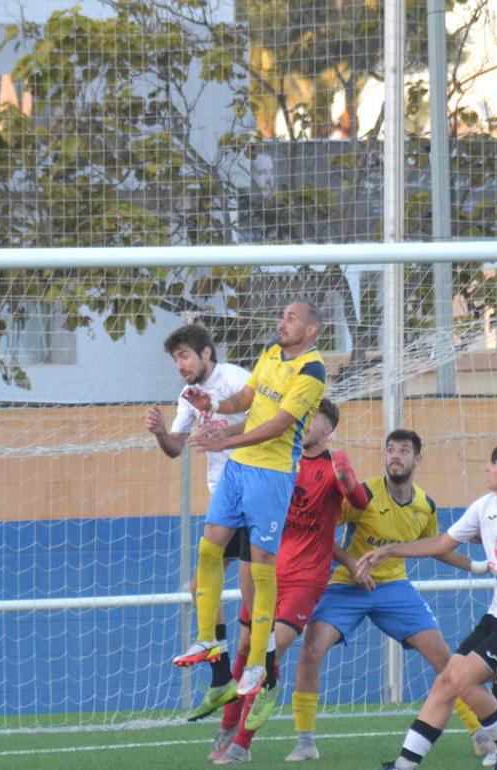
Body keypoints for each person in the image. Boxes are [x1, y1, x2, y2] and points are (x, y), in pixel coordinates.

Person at [358, 441, 497, 770]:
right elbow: (442, 544)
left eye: (492, 464)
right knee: (447, 680)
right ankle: (404, 765)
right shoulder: (486, 505)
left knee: (463, 681)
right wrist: (389, 550)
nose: (486, 469)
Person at [286, 429, 492, 764]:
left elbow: (436, 548)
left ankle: (480, 733)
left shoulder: (425, 505)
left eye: (404, 450)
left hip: (394, 588)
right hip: (347, 585)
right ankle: (305, 740)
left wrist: (479, 566)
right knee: (311, 649)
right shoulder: (363, 494)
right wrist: (352, 564)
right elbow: (321, 531)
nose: (395, 455)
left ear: (417, 459)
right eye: (390, 449)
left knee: (444, 657)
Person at [172, 300, 326, 703]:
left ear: (311, 330)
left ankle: (259, 660)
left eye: (291, 317)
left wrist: (226, 439)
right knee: (208, 548)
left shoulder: (312, 370)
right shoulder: (271, 353)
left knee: (259, 570)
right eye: (282, 314)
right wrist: (215, 407)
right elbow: (248, 399)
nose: (282, 321)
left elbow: (277, 425)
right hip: (238, 470)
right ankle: (207, 640)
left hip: (272, 476)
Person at [210, 399, 367, 765]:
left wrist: (347, 476)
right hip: (267, 572)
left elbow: (358, 503)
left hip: (305, 580)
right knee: (248, 645)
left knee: (269, 651)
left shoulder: (332, 465)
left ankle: (242, 745)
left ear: (327, 428)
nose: (303, 424)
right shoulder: (280, 462)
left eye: (311, 419)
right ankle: (228, 726)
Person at [144, 324, 254, 722]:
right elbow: (176, 448)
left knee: (250, 595)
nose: (180, 365)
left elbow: (266, 425)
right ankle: (222, 675)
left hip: (255, 495)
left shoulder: (237, 380)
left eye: (185, 356)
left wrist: (224, 435)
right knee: (200, 586)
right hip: (224, 500)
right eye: (175, 359)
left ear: (207, 354)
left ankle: (262, 680)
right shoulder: (186, 398)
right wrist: (160, 433)